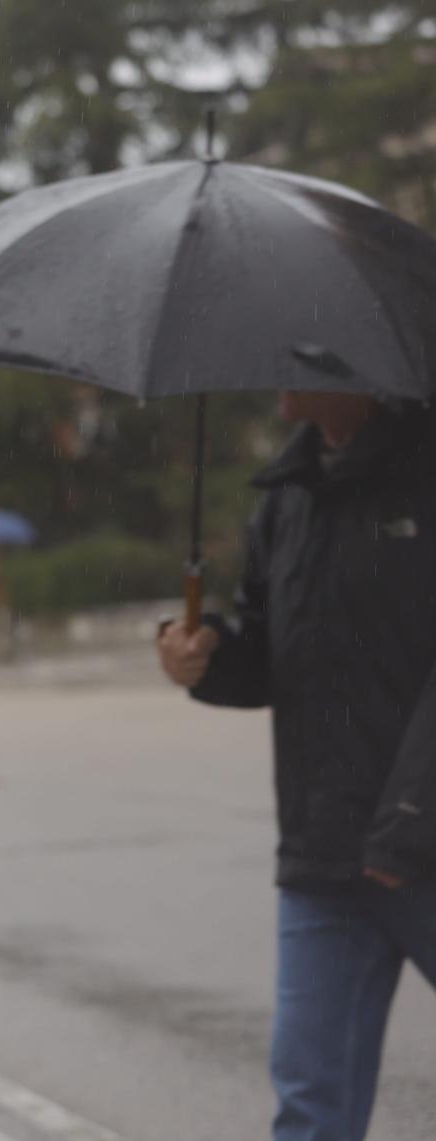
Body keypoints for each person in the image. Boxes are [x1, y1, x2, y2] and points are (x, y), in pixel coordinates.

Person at [157, 390, 436, 1141]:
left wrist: (410, 822)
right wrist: (208, 653)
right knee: (311, 1109)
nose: (278, 363)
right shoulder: (287, 498)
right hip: (325, 859)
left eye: (299, 343)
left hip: (423, 846)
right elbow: (276, 655)